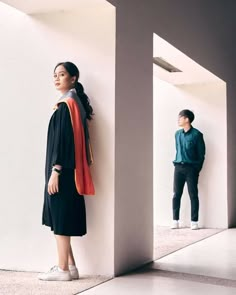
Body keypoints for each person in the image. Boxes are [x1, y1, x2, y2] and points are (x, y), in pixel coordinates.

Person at [38, 61, 95, 281]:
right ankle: (70, 267)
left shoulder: (66, 106)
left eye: (62, 74)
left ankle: (62, 270)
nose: (57, 78)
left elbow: (64, 141)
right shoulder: (73, 103)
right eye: (55, 75)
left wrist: (56, 170)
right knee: (61, 218)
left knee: (61, 219)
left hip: (63, 171)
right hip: (69, 171)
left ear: (74, 78)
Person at [171, 109, 205, 230]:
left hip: (191, 168)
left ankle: (194, 221)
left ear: (187, 119)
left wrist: (196, 169)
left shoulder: (197, 135)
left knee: (193, 194)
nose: (178, 119)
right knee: (176, 194)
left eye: (180, 117)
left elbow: (201, 155)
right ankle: (175, 220)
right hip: (178, 167)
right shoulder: (177, 134)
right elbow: (178, 150)